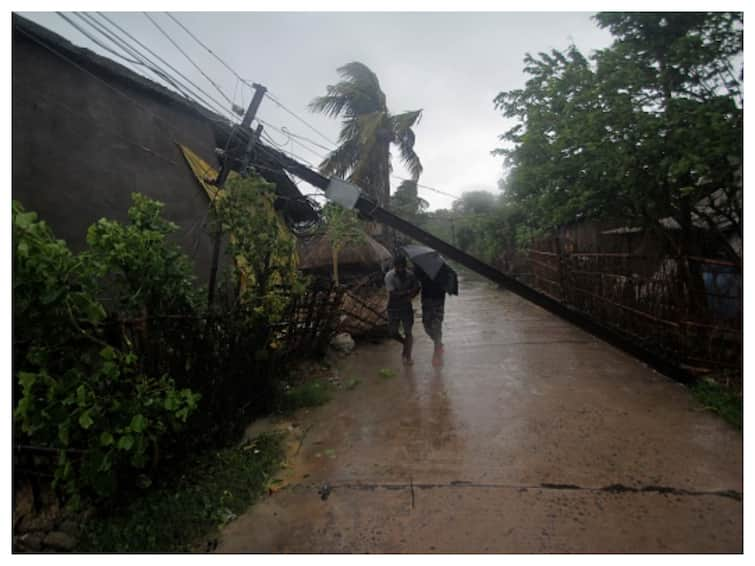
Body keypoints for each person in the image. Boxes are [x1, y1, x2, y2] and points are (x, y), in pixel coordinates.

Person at [384, 255, 420, 365]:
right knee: (393, 332)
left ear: (405, 266)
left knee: (408, 332)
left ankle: (408, 356)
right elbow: (393, 294)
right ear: (394, 266)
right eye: (398, 267)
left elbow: (417, 288)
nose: (400, 269)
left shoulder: (411, 275)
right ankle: (405, 344)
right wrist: (408, 292)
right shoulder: (389, 276)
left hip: (406, 307)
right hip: (393, 307)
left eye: (402, 267)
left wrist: (412, 294)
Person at [415, 264, 449, 367]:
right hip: (426, 304)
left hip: (438, 304)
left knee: (436, 327)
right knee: (426, 327)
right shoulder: (423, 272)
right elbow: (416, 277)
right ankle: (438, 344)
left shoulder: (443, 275)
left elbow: (448, 288)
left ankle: (436, 354)